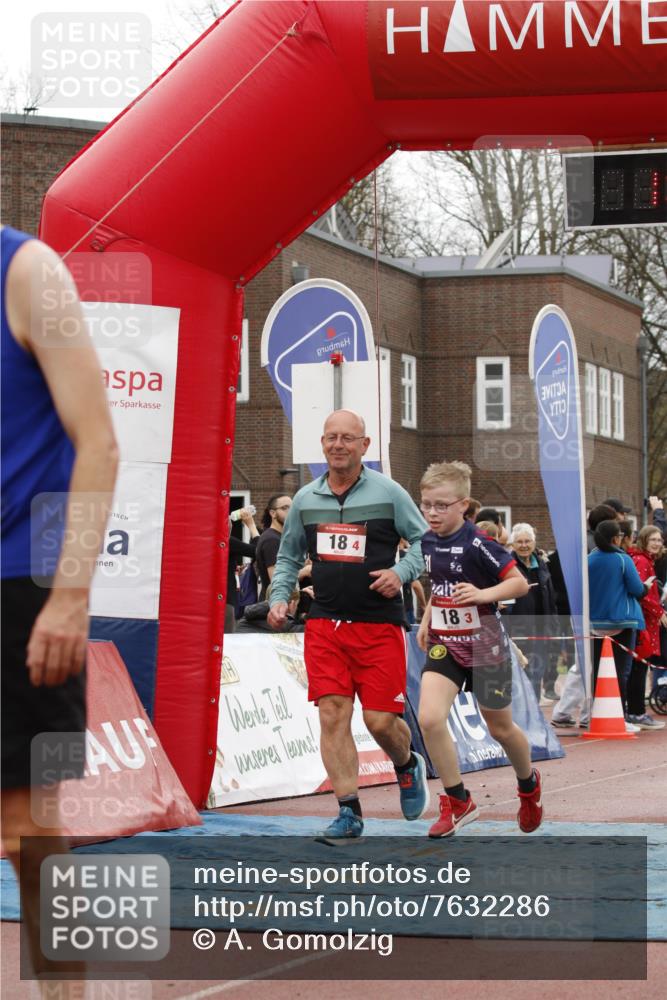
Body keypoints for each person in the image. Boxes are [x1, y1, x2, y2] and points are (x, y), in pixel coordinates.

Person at [1, 226, 119, 987]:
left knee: (29, 832)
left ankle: (63, 991)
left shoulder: (26, 269)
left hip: (20, 583)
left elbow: (98, 442)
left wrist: (71, 594)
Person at [268, 409, 428, 843]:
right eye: (331, 437)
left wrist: (401, 573)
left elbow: (423, 542)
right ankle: (348, 812)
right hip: (325, 624)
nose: (338, 445)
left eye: (347, 438)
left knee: (380, 721)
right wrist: (280, 596)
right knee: (332, 714)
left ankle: (406, 763)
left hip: (378, 625)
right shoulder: (305, 499)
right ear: (322, 444)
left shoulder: (390, 493)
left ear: (364, 446)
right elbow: (287, 557)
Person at [416, 462, 543, 839]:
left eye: (442, 506)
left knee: (500, 727)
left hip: (486, 645)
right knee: (429, 718)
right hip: (445, 643)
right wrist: (427, 619)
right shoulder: (426, 541)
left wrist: (483, 594)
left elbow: (520, 584)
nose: (433, 513)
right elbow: (441, 585)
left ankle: (528, 785)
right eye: (427, 505)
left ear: (463, 506)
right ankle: (458, 801)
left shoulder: (479, 545)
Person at [588, 520, 646, 734]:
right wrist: (647, 587)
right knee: (621, 672)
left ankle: (598, 715)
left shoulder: (589, 559)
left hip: (594, 623)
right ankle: (619, 717)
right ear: (616, 538)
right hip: (622, 622)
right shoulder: (623, 559)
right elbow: (637, 589)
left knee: (598, 672)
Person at [505, 523, 560, 702]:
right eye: (519, 541)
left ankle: (534, 715)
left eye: (527, 541)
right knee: (519, 674)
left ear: (534, 543)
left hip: (541, 629)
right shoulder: (507, 567)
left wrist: (554, 626)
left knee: (536, 673)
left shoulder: (542, 564)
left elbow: (551, 599)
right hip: (519, 629)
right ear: (512, 545)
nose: (524, 545)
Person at [626, 526, 666, 729]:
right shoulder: (641, 561)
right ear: (643, 540)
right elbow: (643, 593)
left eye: (659, 540)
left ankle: (634, 710)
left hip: (646, 621)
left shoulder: (646, 560)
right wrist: (660, 612)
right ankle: (636, 712)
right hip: (643, 622)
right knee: (639, 666)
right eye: (653, 539)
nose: (657, 543)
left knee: (640, 666)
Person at [225, 507, 259, 633]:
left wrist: (232, 569)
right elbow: (257, 551)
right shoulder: (227, 541)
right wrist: (251, 525)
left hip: (217, 601)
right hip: (226, 601)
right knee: (226, 640)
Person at [255, 494, 292, 599]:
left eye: (293, 507)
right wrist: (305, 571)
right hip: (275, 606)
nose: (291, 511)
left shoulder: (279, 537)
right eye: (285, 508)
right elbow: (277, 580)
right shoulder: (271, 540)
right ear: (273, 513)